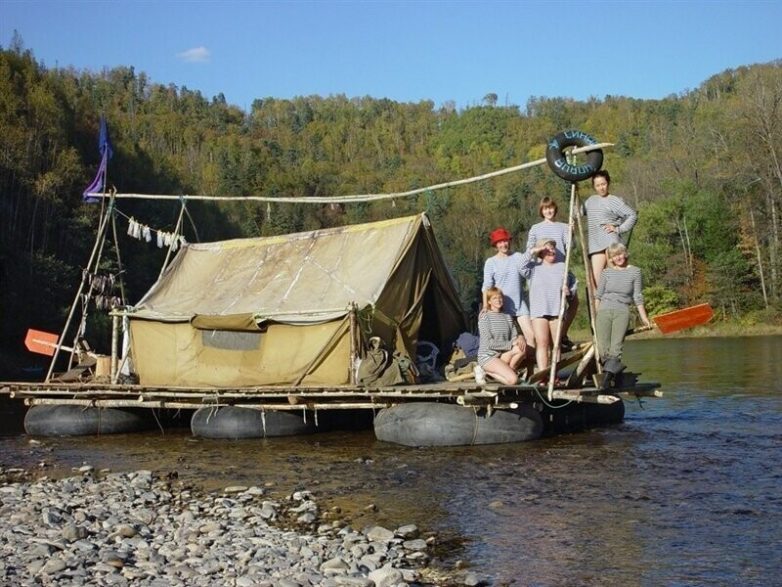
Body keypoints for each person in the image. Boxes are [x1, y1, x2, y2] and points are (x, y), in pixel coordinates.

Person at [526, 196, 579, 349]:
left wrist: (572, 233)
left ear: (555, 209)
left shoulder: (563, 227)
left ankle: (562, 334)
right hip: (543, 271)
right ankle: (553, 340)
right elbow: (529, 249)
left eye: (550, 208)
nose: (548, 210)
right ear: (541, 211)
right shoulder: (536, 228)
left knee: (574, 302)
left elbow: (570, 248)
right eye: (545, 208)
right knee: (549, 307)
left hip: (561, 268)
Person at [594, 242, 651, 384]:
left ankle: (606, 381)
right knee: (602, 349)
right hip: (604, 311)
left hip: (622, 310)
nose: (618, 257)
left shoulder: (635, 272)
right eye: (614, 256)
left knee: (616, 348)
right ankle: (616, 374)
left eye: (620, 254)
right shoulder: (606, 272)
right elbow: (598, 295)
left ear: (625, 253)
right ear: (611, 258)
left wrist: (644, 318)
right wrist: (596, 316)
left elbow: (637, 296)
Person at [521, 239, 578, 372]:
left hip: (557, 310)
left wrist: (568, 292)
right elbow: (520, 266)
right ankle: (542, 374)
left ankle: (554, 375)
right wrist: (534, 250)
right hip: (539, 311)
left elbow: (572, 287)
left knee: (556, 345)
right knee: (542, 343)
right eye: (547, 249)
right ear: (541, 252)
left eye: (553, 248)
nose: (551, 251)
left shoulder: (562, 266)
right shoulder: (533, 267)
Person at [482, 227, 535, 351]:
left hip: (519, 304)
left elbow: (529, 269)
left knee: (531, 336)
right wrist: (485, 306)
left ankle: (531, 369)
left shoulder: (517, 256)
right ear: (495, 245)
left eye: (505, 241)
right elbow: (487, 286)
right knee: (512, 341)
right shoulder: (491, 262)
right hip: (502, 306)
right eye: (500, 242)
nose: (503, 244)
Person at [582, 170, 637, 288]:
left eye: (603, 184)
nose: (601, 188)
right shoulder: (590, 201)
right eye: (598, 185)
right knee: (595, 282)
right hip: (595, 244)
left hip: (610, 241)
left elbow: (632, 215)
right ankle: (599, 306)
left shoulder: (614, 200)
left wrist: (619, 229)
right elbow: (578, 212)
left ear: (608, 183)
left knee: (614, 278)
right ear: (594, 186)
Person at [475, 287, 526, 385]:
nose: (498, 300)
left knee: (521, 349)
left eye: (500, 298)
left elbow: (514, 336)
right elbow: (490, 344)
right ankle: (484, 370)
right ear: (489, 301)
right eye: (494, 298)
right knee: (513, 380)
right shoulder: (485, 317)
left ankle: (510, 371)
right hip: (488, 356)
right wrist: (511, 343)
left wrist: (519, 338)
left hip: (502, 354)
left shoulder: (507, 316)